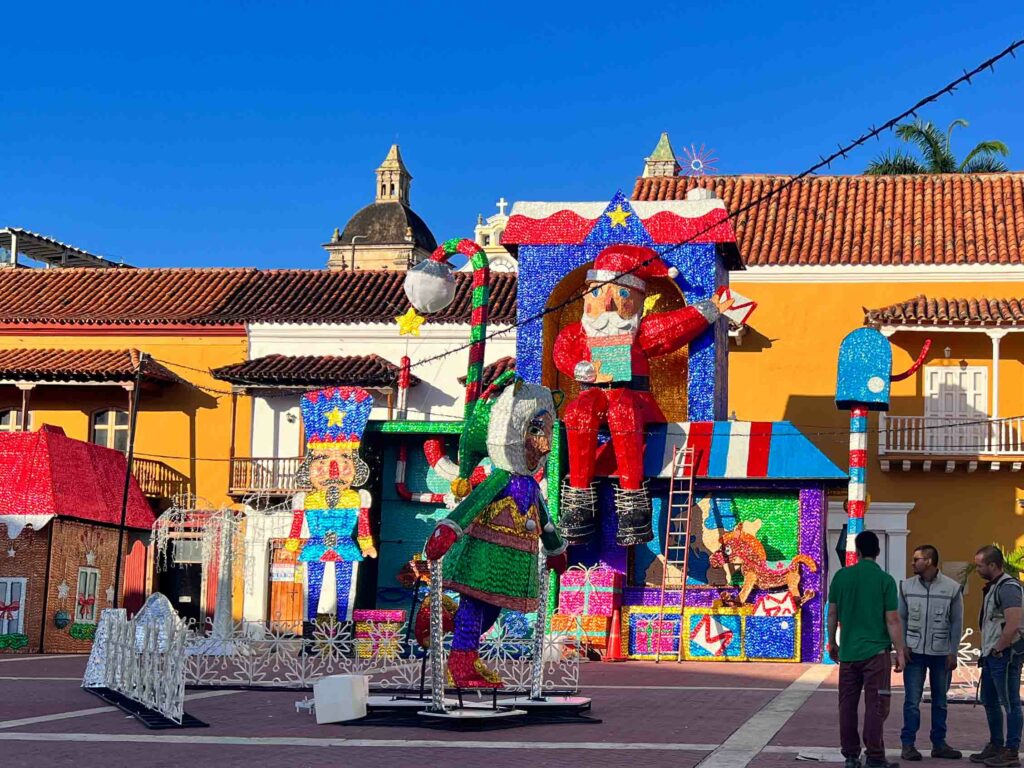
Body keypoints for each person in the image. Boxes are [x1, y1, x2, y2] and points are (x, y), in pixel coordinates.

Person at [553, 243, 733, 546]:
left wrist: (712, 308)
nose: (607, 305)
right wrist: (579, 367)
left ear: (636, 300)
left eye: (620, 295)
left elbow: (677, 326)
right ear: (586, 297)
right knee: (578, 412)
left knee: (623, 409)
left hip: (635, 397)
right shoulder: (576, 334)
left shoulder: (641, 333)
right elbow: (561, 354)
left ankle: (634, 502)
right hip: (594, 393)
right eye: (598, 294)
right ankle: (578, 500)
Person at [423, 373, 568, 688]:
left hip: (510, 566)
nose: (543, 443)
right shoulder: (500, 479)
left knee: (488, 615)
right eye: (534, 429)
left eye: (546, 431)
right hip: (483, 558)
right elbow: (471, 504)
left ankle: (443, 617)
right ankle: (461, 666)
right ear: (512, 431)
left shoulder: (528, 485)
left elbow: (544, 519)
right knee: (475, 610)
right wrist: (448, 530)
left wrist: (556, 549)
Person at [829, 530, 906, 768]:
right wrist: (900, 651)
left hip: (849, 653)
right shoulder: (885, 580)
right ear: (878, 552)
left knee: (847, 704)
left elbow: (832, 613)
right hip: (876, 654)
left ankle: (851, 756)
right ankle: (874, 756)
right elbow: (892, 620)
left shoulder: (841, 577)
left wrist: (832, 642)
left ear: (858, 552)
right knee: (876, 704)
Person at [898, 544, 964, 761]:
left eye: (916, 559)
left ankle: (939, 744)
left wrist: (953, 651)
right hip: (914, 652)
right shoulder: (906, 587)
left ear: (928, 561)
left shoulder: (952, 588)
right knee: (911, 701)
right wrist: (901, 646)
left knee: (940, 701)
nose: (912, 562)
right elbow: (901, 618)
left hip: (940, 652)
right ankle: (908, 744)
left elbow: (956, 622)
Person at [969, 545, 1023, 768]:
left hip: (1005, 654)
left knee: (1010, 702)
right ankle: (996, 744)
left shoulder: (1008, 588)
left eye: (980, 565)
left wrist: (999, 648)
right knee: (990, 700)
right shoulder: (994, 587)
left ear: (992, 565)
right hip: (993, 653)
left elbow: (1013, 624)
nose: (977, 569)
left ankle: (1011, 751)